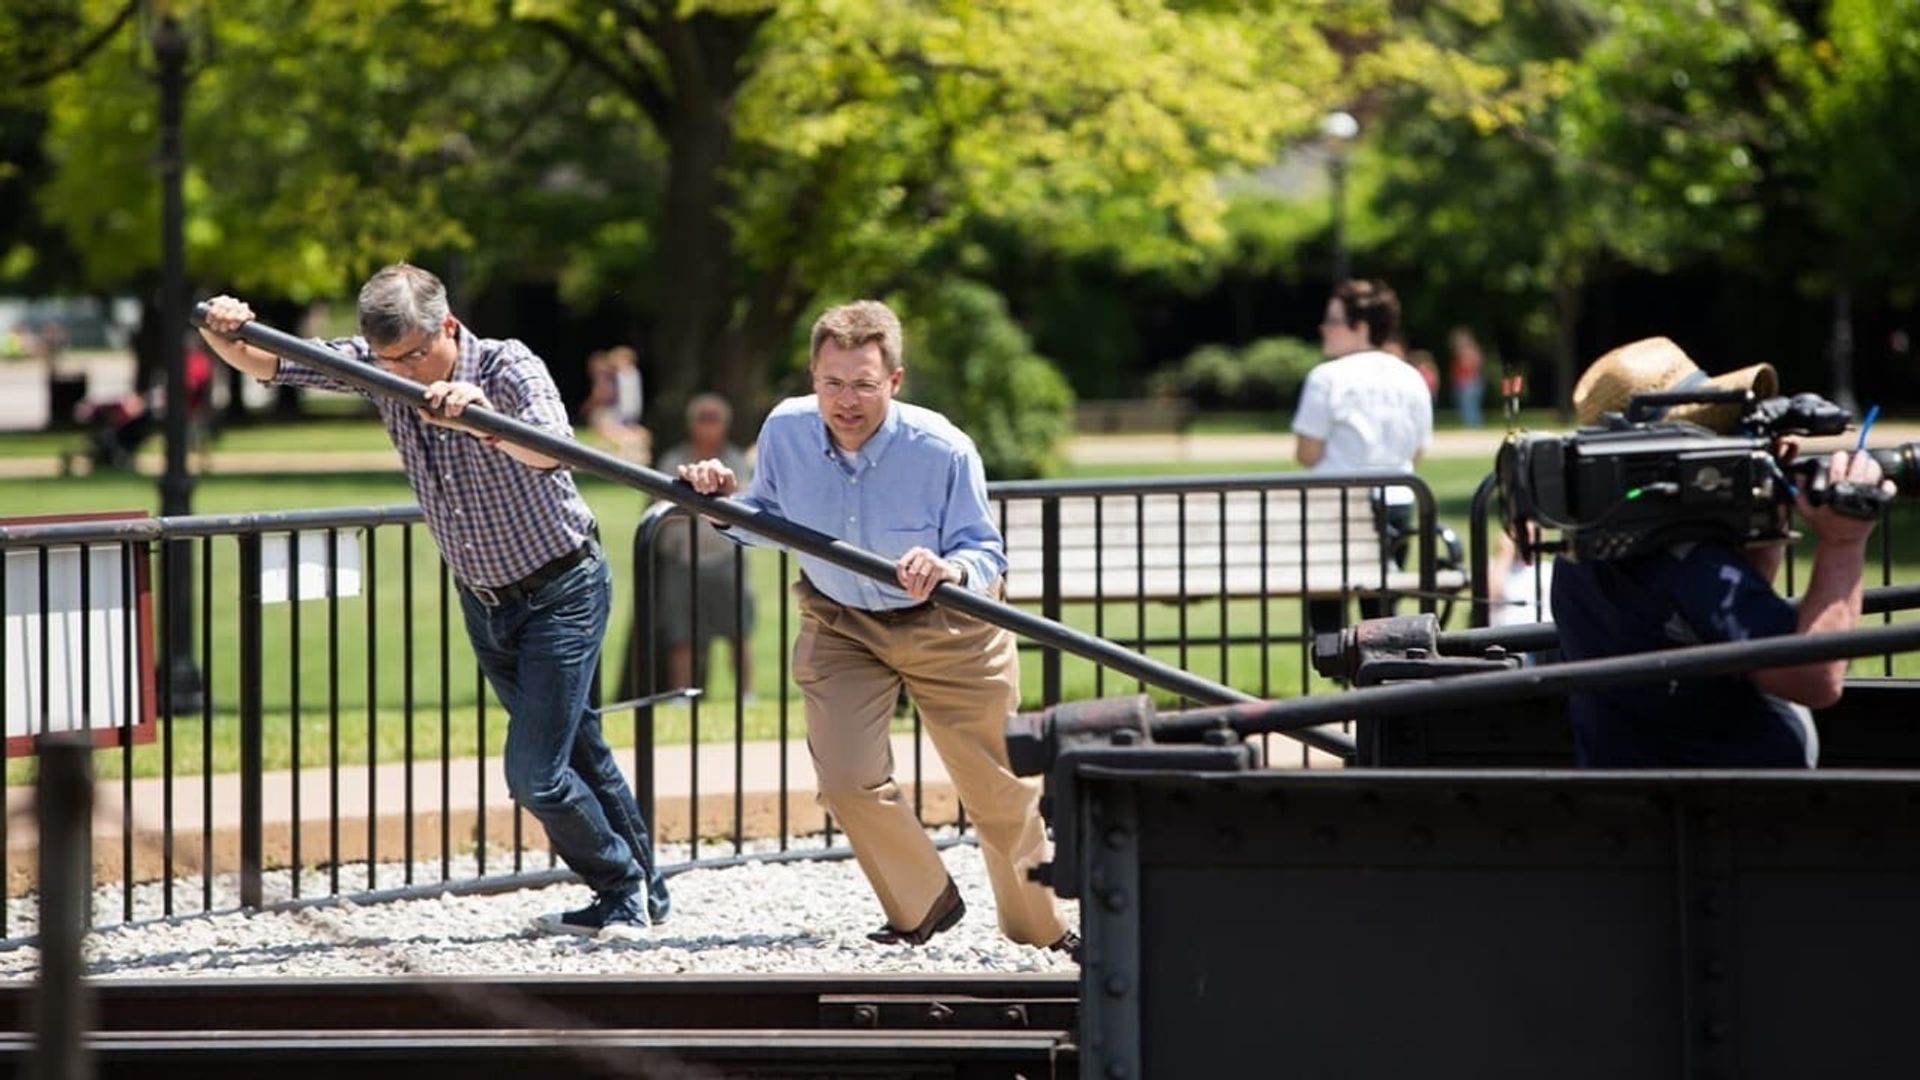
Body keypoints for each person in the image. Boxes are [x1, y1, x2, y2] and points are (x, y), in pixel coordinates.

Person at [196, 265, 670, 936]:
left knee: (536, 774)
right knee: (579, 752)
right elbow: (264, 360)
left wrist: (480, 419)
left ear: (447, 326)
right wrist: (225, 326)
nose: (408, 372)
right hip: (484, 599)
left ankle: (620, 887)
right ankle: (644, 891)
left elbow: (554, 452)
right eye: (392, 360)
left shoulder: (510, 367)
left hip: (562, 588)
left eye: (418, 354)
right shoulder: (381, 368)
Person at [677, 300, 1076, 956]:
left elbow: (985, 551)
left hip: (952, 628)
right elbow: (765, 517)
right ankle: (922, 904)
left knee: (998, 795)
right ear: (812, 377)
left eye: (864, 384)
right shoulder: (785, 430)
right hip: (841, 623)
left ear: (894, 381)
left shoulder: (942, 447)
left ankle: (1041, 929)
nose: (846, 401)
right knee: (844, 777)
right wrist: (721, 505)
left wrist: (947, 567)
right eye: (832, 383)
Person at [1549, 336, 1894, 767]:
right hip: (1733, 820)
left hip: (1650, 803)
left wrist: (1761, 505)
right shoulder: (1686, 561)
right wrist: (1845, 541)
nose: (1732, 441)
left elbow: (1731, 625)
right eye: (1717, 431)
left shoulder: (1589, 544)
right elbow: (1814, 679)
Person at [1290, 279, 1434, 636]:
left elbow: (1307, 453)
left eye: (1334, 320)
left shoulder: (1326, 378)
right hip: (1398, 504)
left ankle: (1335, 674)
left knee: (1328, 608)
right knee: (1382, 608)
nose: (1324, 328)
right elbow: (1419, 450)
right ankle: (1377, 674)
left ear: (1361, 327)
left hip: (1335, 509)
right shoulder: (1411, 377)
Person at [652, 393, 756, 693]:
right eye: (702, 418)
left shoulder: (735, 460)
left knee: (738, 632)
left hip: (727, 558)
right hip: (683, 559)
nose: (708, 425)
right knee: (681, 635)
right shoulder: (674, 460)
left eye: (715, 418)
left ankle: (746, 696)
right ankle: (681, 694)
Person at [582, 345, 651, 464]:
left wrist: (588, 407)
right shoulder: (633, 373)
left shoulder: (621, 375)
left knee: (606, 427)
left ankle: (630, 446)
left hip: (622, 410)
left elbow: (604, 393)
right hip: (632, 409)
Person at [1449, 327, 1485, 428]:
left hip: (1470, 383)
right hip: (1462, 382)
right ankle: (1471, 426)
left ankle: (1474, 427)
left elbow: (1474, 365)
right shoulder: (1462, 352)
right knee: (1466, 408)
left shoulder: (1470, 351)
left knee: (1470, 407)